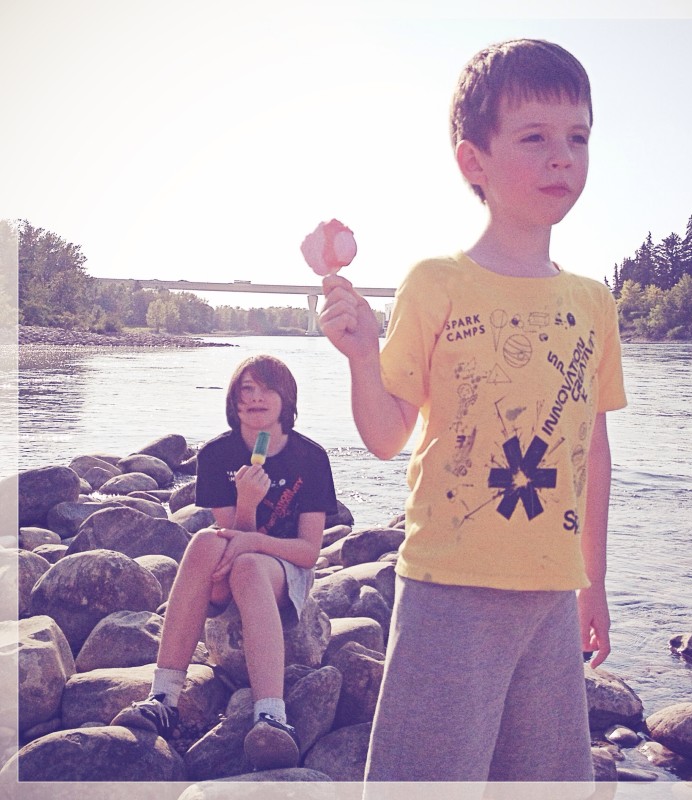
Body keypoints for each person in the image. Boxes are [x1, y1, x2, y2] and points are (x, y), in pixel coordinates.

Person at [318, 39, 627, 787]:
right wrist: (363, 357)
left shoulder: (591, 302)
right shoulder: (436, 283)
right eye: (535, 138)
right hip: (448, 591)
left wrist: (595, 581)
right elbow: (389, 435)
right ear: (472, 162)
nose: (563, 157)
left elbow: (593, 453)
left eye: (577, 138)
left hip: (551, 597)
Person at [111, 354, 338, 771]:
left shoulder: (310, 457)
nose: (255, 398)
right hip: (227, 572)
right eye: (245, 390)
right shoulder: (218, 455)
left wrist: (253, 537)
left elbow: (309, 551)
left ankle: (271, 715)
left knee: (251, 566)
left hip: (283, 572)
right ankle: (164, 698)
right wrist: (248, 505)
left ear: (286, 398)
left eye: (266, 388)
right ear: (233, 403)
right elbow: (231, 539)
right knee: (202, 541)